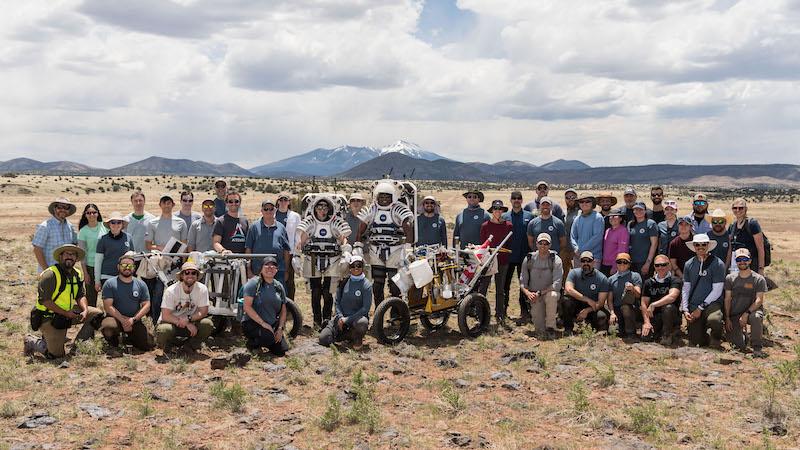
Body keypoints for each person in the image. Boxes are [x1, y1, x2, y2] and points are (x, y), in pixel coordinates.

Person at [24, 244, 103, 358]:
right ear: (60, 257)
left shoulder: (77, 274)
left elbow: (80, 295)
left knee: (97, 314)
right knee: (56, 355)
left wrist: (85, 310)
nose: (69, 257)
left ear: (76, 258)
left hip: (66, 314)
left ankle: (77, 347)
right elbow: (45, 301)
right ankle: (32, 341)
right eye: (67, 254)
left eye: (73, 254)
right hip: (48, 317)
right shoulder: (50, 274)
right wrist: (66, 313)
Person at [297, 195, 352, 328]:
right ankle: (316, 321)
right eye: (319, 207)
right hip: (313, 259)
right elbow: (301, 241)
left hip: (332, 260)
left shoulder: (335, 222)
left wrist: (346, 251)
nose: (322, 210)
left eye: (325, 208)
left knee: (328, 292)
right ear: (314, 208)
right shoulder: (310, 223)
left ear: (329, 209)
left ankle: (326, 320)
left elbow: (343, 238)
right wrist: (296, 255)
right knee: (315, 292)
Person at [357, 181, 413, 308]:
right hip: (375, 250)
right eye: (381, 197)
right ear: (376, 196)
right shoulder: (372, 209)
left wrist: (408, 247)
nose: (384, 200)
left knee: (395, 284)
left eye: (387, 197)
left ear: (393, 196)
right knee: (377, 284)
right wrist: (357, 245)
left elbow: (407, 226)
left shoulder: (398, 209)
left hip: (395, 250)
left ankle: (396, 313)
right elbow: (361, 228)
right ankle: (379, 311)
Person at [144, 193, 188, 323]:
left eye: (169, 202)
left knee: (176, 293)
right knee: (157, 294)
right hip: (159, 264)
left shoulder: (181, 222)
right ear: (160, 205)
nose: (167, 205)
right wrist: (158, 247)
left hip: (176, 264)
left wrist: (184, 265)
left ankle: (174, 320)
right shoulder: (153, 223)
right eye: (164, 202)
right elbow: (147, 244)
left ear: (173, 205)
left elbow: (184, 245)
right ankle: (156, 321)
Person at [156, 261, 214, 352]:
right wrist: (186, 323)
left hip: (192, 322)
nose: (190, 275)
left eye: (193, 273)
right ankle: (169, 346)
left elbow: (204, 311)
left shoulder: (202, 289)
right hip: (172, 323)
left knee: (207, 324)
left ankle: (192, 345)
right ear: (182, 276)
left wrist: (189, 319)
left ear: (197, 276)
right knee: (164, 330)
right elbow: (165, 315)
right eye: (187, 272)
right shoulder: (171, 291)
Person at [99, 254, 152, 352]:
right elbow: (108, 307)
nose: (127, 268)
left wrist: (133, 320)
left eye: (130, 266)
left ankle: (127, 339)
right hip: (115, 319)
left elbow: (147, 305)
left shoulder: (141, 284)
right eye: (124, 265)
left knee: (149, 344)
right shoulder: (110, 283)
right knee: (108, 328)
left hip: (134, 320)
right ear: (118, 267)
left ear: (134, 268)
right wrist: (123, 321)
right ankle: (114, 343)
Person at [680, 234, 726, 348]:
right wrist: (685, 309)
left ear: (708, 245)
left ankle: (716, 337)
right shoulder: (689, 264)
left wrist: (700, 308)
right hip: (694, 304)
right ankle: (705, 335)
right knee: (697, 341)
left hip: (712, 304)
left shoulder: (718, 264)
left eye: (704, 244)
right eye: (697, 245)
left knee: (715, 320)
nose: (701, 247)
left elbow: (717, 291)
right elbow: (686, 288)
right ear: (694, 246)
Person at [319, 255, 372, 349]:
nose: (356, 268)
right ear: (349, 268)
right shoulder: (343, 282)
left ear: (363, 267)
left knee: (362, 322)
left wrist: (347, 320)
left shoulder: (366, 285)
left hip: (356, 319)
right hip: (341, 318)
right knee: (323, 339)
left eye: (359, 265)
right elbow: (337, 302)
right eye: (353, 266)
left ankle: (356, 337)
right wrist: (340, 317)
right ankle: (347, 336)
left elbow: (365, 308)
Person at [241, 256, 289, 355]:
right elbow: (247, 307)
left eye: (273, 266)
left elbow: (283, 310)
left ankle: (268, 341)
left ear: (276, 270)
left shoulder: (279, 286)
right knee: (269, 338)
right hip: (253, 323)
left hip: (271, 324)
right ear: (261, 268)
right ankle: (252, 344)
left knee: (281, 351)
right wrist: (263, 323)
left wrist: (280, 328)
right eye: (267, 265)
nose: (270, 268)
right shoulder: (253, 284)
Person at [724, 249, 768, 357]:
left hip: (751, 312)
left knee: (756, 317)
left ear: (750, 261)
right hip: (735, 314)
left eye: (745, 259)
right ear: (736, 261)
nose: (742, 262)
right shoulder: (730, 278)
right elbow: (727, 299)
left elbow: (759, 300)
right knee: (738, 347)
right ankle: (743, 337)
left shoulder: (758, 279)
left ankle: (757, 347)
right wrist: (727, 318)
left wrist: (746, 313)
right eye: (739, 259)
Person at [520, 233, 563, 339]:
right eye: (541, 243)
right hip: (534, 296)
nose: (543, 246)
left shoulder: (556, 260)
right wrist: (528, 293)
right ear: (536, 244)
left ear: (550, 245)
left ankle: (551, 328)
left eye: (546, 243)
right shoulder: (529, 259)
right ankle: (544, 324)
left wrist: (540, 293)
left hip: (548, 293)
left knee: (552, 296)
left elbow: (557, 284)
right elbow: (522, 283)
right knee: (539, 329)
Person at [478, 200, 513, 326]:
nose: (497, 211)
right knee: (484, 287)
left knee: (500, 288)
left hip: (502, 261)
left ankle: (499, 314)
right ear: (492, 211)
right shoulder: (485, 226)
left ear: (503, 211)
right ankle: (480, 313)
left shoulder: (508, 226)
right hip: (488, 261)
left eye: (500, 209)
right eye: (495, 209)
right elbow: (484, 245)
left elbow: (508, 244)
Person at [502, 191, 535, 324]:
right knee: (505, 285)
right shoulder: (504, 217)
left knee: (524, 285)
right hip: (508, 257)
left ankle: (525, 310)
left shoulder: (529, 216)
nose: (516, 200)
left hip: (524, 257)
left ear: (522, 200)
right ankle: (503, 310)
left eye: (519, 198)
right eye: (514, 198)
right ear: (510, 200)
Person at [562, 251, 609, 334]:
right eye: (583, 261)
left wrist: (587, 310)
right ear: (580, 262)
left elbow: (600, 303)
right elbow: (568, 289)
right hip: (576, 304)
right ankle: (568, 329)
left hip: (592, 307)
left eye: (589, 261)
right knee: (566, 301)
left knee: (601, 316)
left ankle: (595, 328)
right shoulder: (573, 273)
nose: (586, 263)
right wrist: (587, 299)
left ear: (594, 262)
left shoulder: (602, 278)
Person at [245, 199, 291, 283]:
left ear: (275, 210)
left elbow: (286, 250)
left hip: (278, 271)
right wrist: (248, 269)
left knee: (278, 295)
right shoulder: (254, 227)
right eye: (266, 209)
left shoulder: (281, 227)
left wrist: (286, 270)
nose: (268, 211)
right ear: (261, 211)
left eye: (271, 209)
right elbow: (248, 249)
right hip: (257, 270)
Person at [640, 254, 682, 345]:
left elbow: (672, 297)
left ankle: (667, 334)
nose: (660, 267)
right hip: (655, 317)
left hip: (671, 316)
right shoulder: (648, 282)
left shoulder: (675, 280)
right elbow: (643, 303)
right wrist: (646, 322)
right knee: (645, 338)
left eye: (663, 265)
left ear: (669, 265)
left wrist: (654, 304)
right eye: (657, 265)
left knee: (668, 307)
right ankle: (659, 332)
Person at [33, 197, 78, 272]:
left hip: (66, 271)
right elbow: (37, 250)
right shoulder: (45, 226)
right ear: (54, 209)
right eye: (60, 207)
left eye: (66, 208)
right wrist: (47, 270)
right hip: (50, 271)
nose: (63, 210)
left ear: (69, 211)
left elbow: (74, 246)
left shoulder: (71, 227)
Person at [94, 212, 134, 291]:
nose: (116, 225)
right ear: (109, 224)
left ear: (122, 224)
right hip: (107, 276)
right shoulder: (103, 239)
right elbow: (98, 262)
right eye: (113, 222)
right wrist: (97, 281)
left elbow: (132, 257)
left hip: (124, 276)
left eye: (119, 222)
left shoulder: (128, 237)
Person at [606, 253, 643, 339]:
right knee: (613, 332)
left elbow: (638, 294)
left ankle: (631, 333)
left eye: (625, 262)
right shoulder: (611, 279)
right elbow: (610, 300)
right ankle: (621, 328)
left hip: (631, 309)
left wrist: (633, 288)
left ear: (629, 264)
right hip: (617, 310)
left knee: (626, 307)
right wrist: (612, 313)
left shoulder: (635, 276)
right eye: (619, 262)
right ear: (616, 263)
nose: (622, 264)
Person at [77, 204, 107, 307]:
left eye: (94, 212)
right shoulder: (83, 231)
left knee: (108, 295)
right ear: (85, 215)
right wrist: (85, 273)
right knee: (91, 296)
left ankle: (108, 318)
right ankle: (91, 319)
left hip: (105, 266)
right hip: (90, 267)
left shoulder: (104, 226)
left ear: (98, 214)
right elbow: (82, 254)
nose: (91, 215)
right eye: (89, 213)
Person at [728, 198, 766, 274]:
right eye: (735, 208)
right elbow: (730, 248)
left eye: (741, 208)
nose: (738, 210)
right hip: (735, 265)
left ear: (746, 209)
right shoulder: (732, 226)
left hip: (751, 265)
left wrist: (761, 269)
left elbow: (760, 249)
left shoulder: (752, 224)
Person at [275, 193, 301, 300]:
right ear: (278, 201)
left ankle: (290, 304)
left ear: (289, 202)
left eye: (285, 199)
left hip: (290, 252)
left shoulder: (295, 216)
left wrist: (297, 251)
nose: (283, 202)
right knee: (275, 277)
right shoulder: (272, 214)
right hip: (275, 251)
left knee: (289, 279)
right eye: (281, 200)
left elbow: (298, 234)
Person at [569, 193, 604, 268]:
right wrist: (576, 248)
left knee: (592, 279)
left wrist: (582, 250)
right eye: (581, 201)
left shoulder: (597, 218)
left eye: (587, 201)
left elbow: (597, 237)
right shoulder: (577, 219)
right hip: (578, 257)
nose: (584, 203)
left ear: (592, 203)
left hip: (593, 257)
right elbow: (572, 236)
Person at [628, 201, 658, 277]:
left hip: (644, 261)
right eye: (636, 209)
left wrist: (648, 263)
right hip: (631, 261)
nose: (638, 212)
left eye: (640, 210)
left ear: (645, 211)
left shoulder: (650, 224)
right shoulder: (630, 224)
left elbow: (654, 244)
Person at [601, 208, 629, 276]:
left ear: (620, 219)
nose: (612, 218)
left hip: (615, 265)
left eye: (615, 216)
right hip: (604, 264)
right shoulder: (608, 230)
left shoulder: (623, 231)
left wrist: (615, 266)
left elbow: (622, 250)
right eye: (611, 216)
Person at [562, 188, 580, 281]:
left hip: (576, 249)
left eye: (573, 197)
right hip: (564, 249)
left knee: (576, 273)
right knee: (563, 273)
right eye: (568, 197)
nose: (570, 199)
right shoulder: (563, 212)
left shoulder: (580, 212)